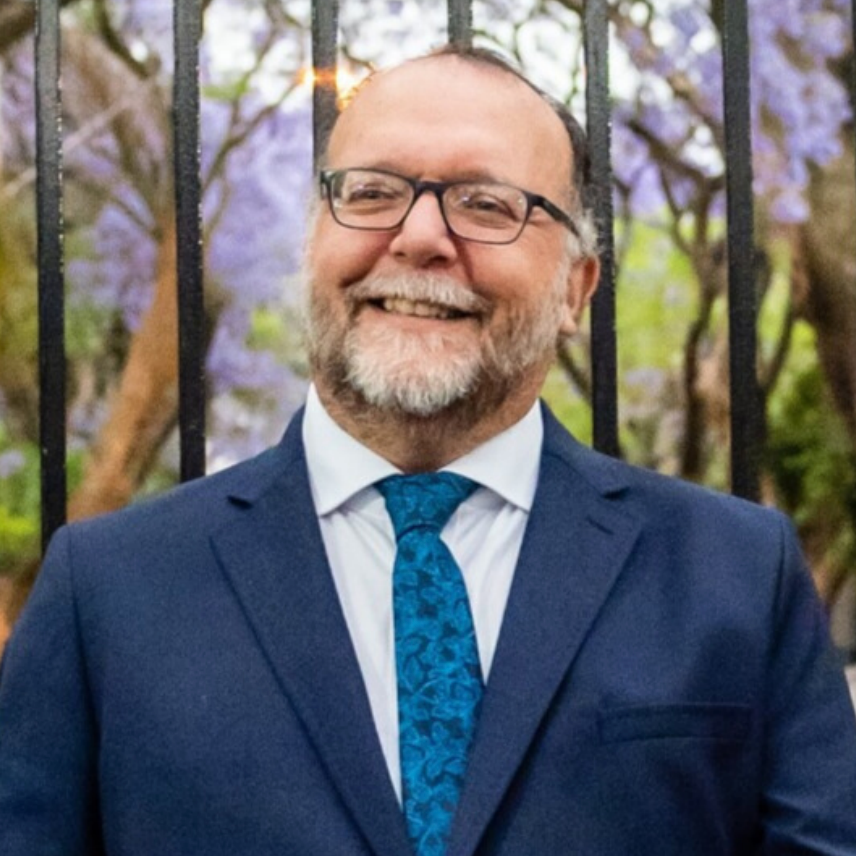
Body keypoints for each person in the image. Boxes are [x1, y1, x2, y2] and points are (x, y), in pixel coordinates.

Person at [1, 45, 855, 856]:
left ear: (576, 289)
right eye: (372, 192)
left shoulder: (738, 576)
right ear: (314, 244)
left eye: (486, 204)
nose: (418, 236)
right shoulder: (105, 591)